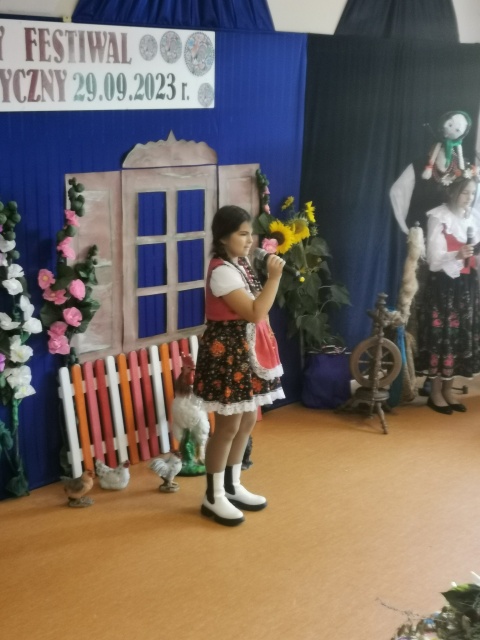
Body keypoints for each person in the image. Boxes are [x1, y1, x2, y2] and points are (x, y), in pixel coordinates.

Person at [193, 205, 285, 526]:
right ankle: (213, 495)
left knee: (246, 419)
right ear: (223, 237)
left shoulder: (240, 263)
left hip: (244, 353)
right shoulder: (222, 271)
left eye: (251, 234)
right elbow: (255, 312)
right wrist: (274, 277)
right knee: (227, 426)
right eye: (242, 234)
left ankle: (232, 485)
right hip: (226, 354)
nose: (249, 240)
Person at [415, 175, 480, 414]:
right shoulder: (438, 217)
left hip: (466, 286)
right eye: (465, 192)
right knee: (442, 337)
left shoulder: (473, 217)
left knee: (458, 336)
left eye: (472, 193)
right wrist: (457, 254)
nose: (469, 198)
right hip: (443, 286)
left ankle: (448, 390)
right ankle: (435, 392)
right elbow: (433, 260)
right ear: (453, 192)